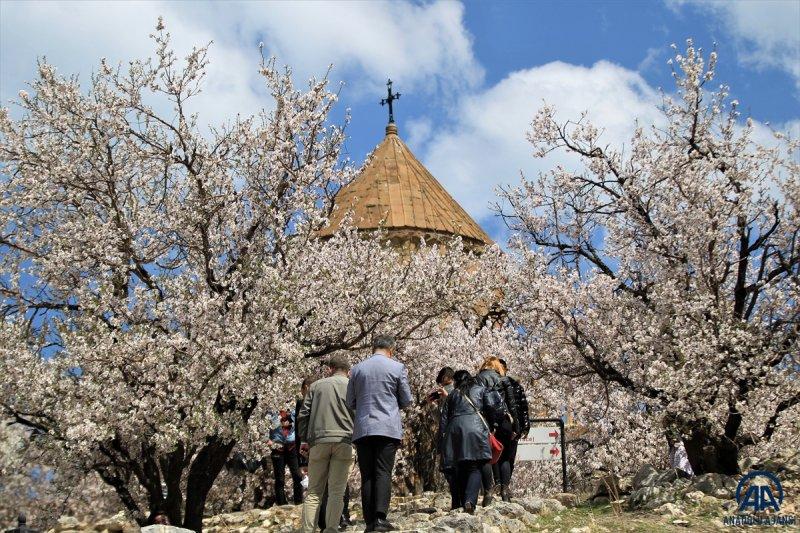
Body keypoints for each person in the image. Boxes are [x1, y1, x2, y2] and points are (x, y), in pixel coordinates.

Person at [346, 335, 413, 532]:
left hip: (364, 428)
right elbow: (407, 399)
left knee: (367, 474)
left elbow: (350, 401)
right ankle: (380, 518)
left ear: (373, 348)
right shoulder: (397, 367)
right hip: (387, 428)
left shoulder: (357, 369)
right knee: (383, 472)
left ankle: (369, 522)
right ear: (390, 349)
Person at [297, 355, 354, 533]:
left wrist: (305, 439)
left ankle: (308, 530)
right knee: (337, 492)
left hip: (319, 441)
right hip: (345, 440)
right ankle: (331, 529)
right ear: (348, 372)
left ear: (330, 369)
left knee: (314, 491)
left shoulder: (315, 386)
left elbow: (303, 415)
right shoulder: (353, 386)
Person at [439, 369, 505, 514]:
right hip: (476, 429)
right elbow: (494, 408)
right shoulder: (481, 390)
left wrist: (442, 443)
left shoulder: (453, 395)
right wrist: (494, 425)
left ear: (457, 381)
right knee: (475, 467)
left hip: (454, 431)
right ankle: (469, 501)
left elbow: (444, 419)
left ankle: (461, 502)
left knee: (460, 467)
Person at [475, 356, 517, 504]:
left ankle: (488, 492)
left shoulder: (477, 379)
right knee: (505, 457)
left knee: (487, 457)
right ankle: (505, 491)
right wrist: (516, 426)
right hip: (504, 421)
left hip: (486, 422)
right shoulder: (505, 380)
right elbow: (512, 404)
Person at [495, 359, 530, 494]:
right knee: (502, 457)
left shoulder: (515, 386)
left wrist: (525, 426)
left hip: (509, 426)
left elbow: (523, 407)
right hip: (504, 426)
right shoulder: (495, 385)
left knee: (506, 457)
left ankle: (503, 485)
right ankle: (501, 485)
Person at [426, 366, 457, 509]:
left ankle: (459, 497)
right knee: (446, 466)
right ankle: (456, 495)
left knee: (451, 465)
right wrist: (432, 404)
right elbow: (440, 417)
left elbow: (457, 411)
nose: (444, 384)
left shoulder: (456, 390)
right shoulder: (444, 393)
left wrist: (447, 397)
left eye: (445, 380)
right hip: (444, 432)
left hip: (454, 432)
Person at [268, 409, 304, 505]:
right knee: (279, 478)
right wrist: (267, 440)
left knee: (297, 475)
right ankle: (281, 503)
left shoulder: (293, 409)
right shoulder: (271, 410)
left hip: (292, 446)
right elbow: (260, 427)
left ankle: (299, 502)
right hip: (277, 447)